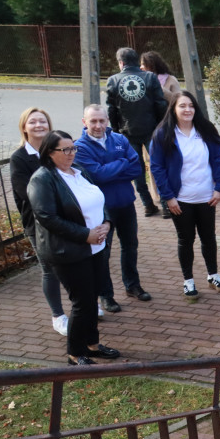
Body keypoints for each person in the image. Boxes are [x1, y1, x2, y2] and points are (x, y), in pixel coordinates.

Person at [27, 130, 121, 366]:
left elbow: (98, 199)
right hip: (68, 251)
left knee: (92, 298)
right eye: (65, 149)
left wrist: (107, 222)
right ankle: (75, 352)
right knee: (82, 302)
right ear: (50, 152)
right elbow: (47, 217)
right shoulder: (42, 179)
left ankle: (93, 344)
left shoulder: (79, 171)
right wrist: (85, 235)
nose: (71, 153)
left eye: (73, 148)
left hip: (96, 247)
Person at [149, 90, 220, 301]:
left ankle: (213, 275)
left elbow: (219, 158)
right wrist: (168, 197)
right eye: (182, 106)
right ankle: (188, 281)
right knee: (186, 240)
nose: (187, 110)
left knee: (208, 237)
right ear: (173, 109)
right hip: (180, 199)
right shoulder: (163, 134)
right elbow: (157, 168)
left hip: (207, 197)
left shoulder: (206, 130)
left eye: (191, 105)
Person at [75, 104, 151, 312]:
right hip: (101, 210)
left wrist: (111, 170)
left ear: (107, 121)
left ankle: (132, 285)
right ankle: (105, 295)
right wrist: (122, 163)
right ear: (84, 122)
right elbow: (96, 176)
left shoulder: (120, 140)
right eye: (93, 121)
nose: (98, 125)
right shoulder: (79, 147)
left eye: (102, 121)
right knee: (103, 252)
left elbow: (137, 169)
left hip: (126, 203)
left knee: (130, 246)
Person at [10, 108, 68, 335]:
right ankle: (58, 316)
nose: (38, 125)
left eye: (42, 121)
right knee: (49, 269)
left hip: (65, 219)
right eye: (32, 122)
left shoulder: (56, 151)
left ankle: (86, 305)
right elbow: (27, 194)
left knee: (76, 264)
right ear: (24, 127)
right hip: (38, 225)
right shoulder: (19, 158)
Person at [106, 47, 168, 217]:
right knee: (158, 166)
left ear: (121, 63)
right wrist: (160, 125)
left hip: (127, 131)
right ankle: (166, 205)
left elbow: (112, 109)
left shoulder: (113, 80)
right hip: (151, 129)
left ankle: (147, 204)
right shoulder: (149, 77)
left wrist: (116, 130)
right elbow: (160, 104)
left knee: (136, 170)